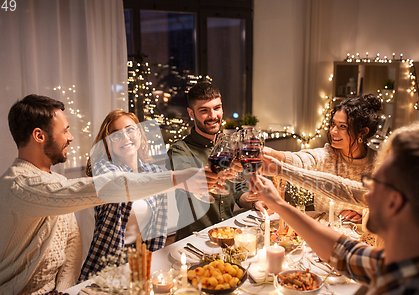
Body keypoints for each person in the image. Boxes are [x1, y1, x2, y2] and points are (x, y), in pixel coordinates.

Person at [0, 94, 213, 295]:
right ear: (39, 135)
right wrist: (181, 177)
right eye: (64, 130)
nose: (71, 137)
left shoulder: (54, 180)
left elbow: (71, 246)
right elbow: (108, 187)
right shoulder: (19, 185)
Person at [252, 125, 419, 295]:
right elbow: (345, 253)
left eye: (372, 183)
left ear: (394, 202)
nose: (366, 195)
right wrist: (278, 203)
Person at [79, 110, 168, 281]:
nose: (125, 137)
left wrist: (155, 259)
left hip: (143, 255)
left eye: (130, 130)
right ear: (108, 143)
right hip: (109, 259)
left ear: (140, 134)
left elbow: (159, 228)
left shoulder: (155, 171)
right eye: (116, 135)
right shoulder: (104, 169)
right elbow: (121, 184)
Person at [263, 93, 381, 222]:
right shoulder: (327, 155)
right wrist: (274, 154)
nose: (333, 131)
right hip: (321, 233)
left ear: (363, 132)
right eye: (333, 124)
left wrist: (364, 217)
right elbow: (302, 160)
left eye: (343, 126)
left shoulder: (379, 165)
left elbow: (386, 211)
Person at [167, 81, 259, 240]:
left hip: (228, 236)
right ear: (191, 113)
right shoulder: (180, 150)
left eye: (217, 108)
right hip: (194, 241)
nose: (213, 116)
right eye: (204, 111)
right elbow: (191, 181)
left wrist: (254, 202)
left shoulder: (229, 147)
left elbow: (239, 190)